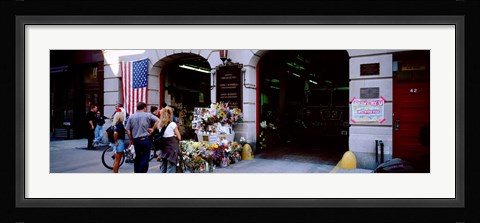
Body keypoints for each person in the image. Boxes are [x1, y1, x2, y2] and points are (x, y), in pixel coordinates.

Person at [125, 102, 159, 173]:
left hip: (136, 140)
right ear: (144, 108)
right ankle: (142, 172)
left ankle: (137, 171)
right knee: (145, 157)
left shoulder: (131, 116)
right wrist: (152, 129)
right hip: (145, 139)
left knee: (137, 156)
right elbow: (158, 120)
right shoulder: (147, 115)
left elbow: (127, 129)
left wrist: (131, 139)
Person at [151, 107, 181, 173]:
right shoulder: (173, 124)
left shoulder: (160, 125)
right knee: (171, 167)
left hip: (163, 148)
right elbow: (179, 137)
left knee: (163, 165)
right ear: (170, 115)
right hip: (171, 149)